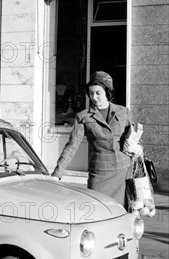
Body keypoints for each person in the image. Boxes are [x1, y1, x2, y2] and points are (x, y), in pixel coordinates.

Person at [51, 71, 142, 207]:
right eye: (91, 93)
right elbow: (72, 146)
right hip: (99, 173)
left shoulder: (124, 112)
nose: (94, 97)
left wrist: (138, 148)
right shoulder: (83, 116)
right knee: (97, 209)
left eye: (98, 93)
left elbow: (136, 138)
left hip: (123, 171)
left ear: (107, 91)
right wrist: (57, 172)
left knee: (122, 211)